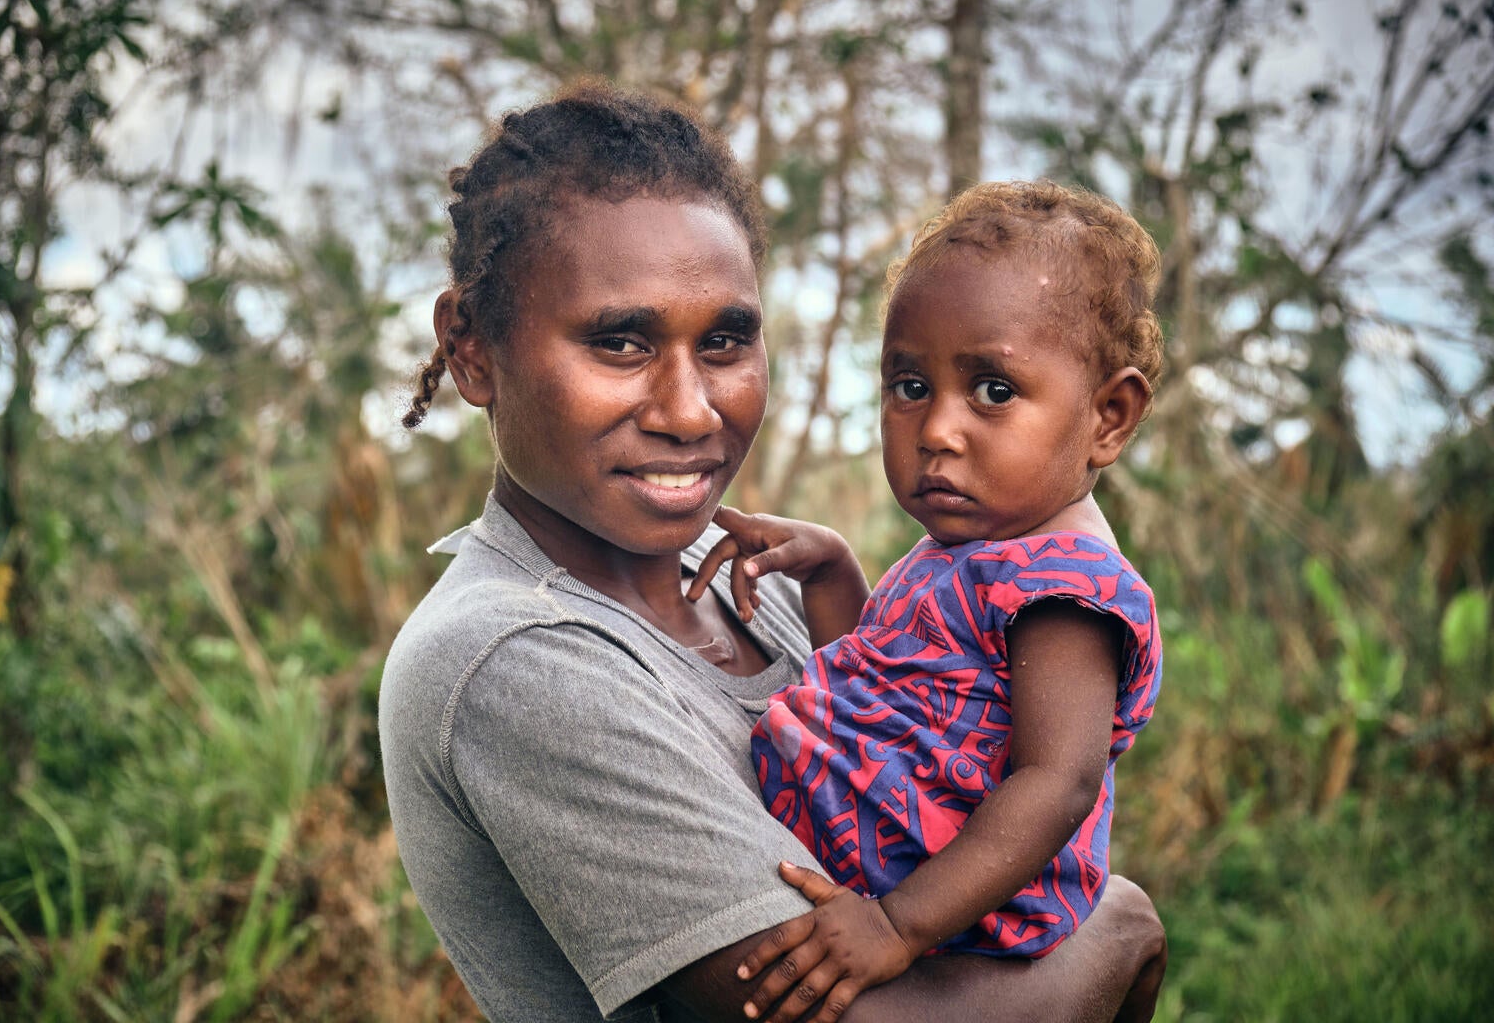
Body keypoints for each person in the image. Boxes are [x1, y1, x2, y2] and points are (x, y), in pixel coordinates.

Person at [378, 82, 1167, 1023]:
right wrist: (1122, 931)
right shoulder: (521, 660)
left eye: (724, 342)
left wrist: (832, 577)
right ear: (471, 349)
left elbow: (909, 721)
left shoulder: (754, 584)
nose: (688, 411)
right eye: (620, 342)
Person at [686, 180, 1165, 1022]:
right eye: (909, 386)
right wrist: (833, 572)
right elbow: (885, 696)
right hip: (891, 891)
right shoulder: (968, 549)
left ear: (1109, 417)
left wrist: (899, 925)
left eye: (994, 391)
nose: (937, 429)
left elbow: (1058, 783)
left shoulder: (1066, 589)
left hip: (954, 919)